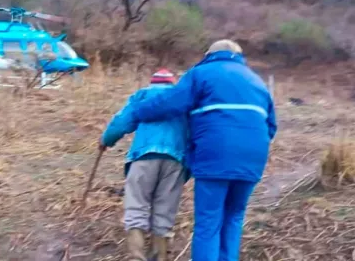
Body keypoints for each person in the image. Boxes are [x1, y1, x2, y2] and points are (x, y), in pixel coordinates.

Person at [129, 40, 278, 261]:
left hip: (216, 156)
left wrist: (138, 111)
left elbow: (170, 102)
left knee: (209, 222)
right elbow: (271, 126)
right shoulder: (257, 81)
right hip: (252, 159)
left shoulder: (201, 73)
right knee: (234, 218)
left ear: (209, 54)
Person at [99, 69, 190, 261]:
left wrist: (106, 140)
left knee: (136, 206)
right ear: (172, 83)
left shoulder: (141, 96)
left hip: (144, 157)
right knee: (165, 209)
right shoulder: (184, 100)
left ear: (152, 83)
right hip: (175, 160)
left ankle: (136, 256)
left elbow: (121, 123)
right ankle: (160, 256)